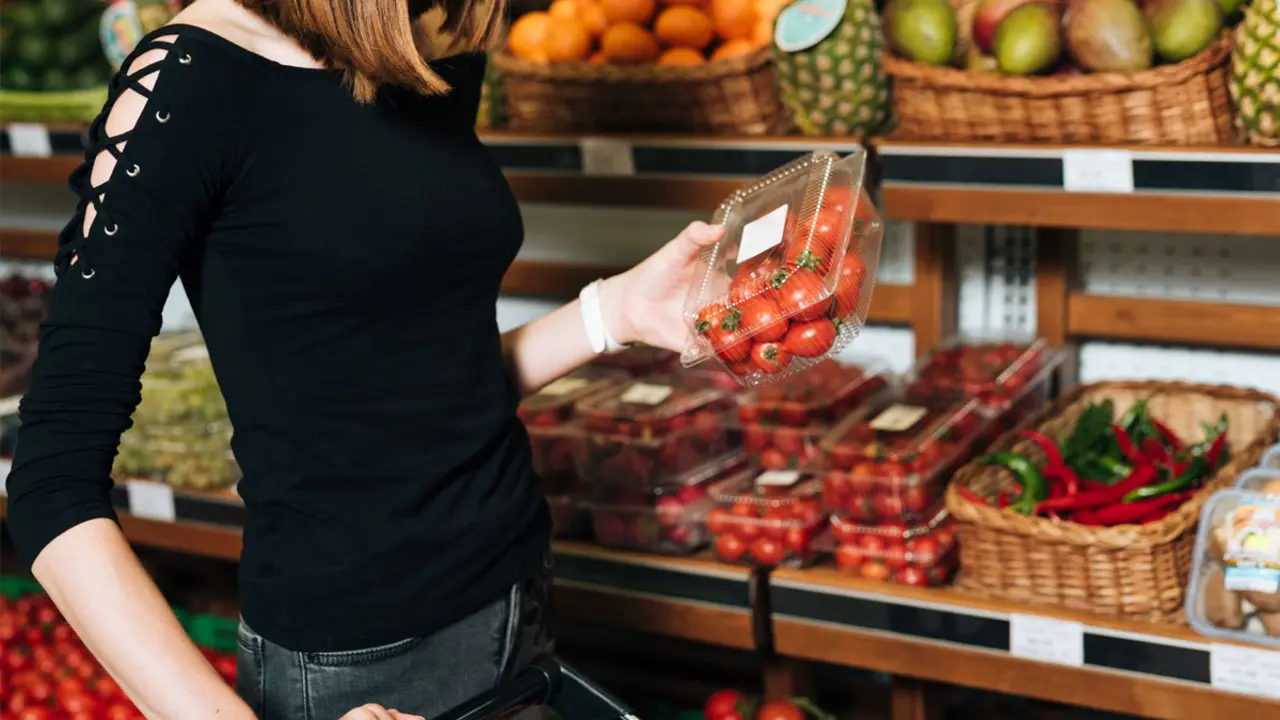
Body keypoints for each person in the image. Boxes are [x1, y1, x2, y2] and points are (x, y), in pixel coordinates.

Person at [3, 0, 724, 716]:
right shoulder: (189, 81)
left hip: (516, 595)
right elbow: (51, 484)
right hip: (356, 665)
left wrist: (615, 313)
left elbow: (423, 379)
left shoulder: (427, 41)